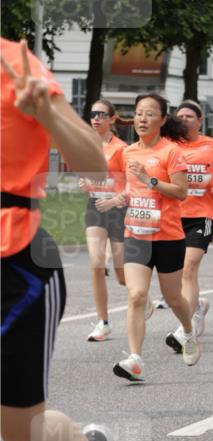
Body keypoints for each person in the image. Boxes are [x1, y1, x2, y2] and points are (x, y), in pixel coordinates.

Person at [1, 38, 110, 441]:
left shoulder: (16, 64)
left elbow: (95, 165)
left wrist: (45, 112)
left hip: (16, 270)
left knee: (22, 439)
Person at [101, 93, 202, 380]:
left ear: (162, 119)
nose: (142, 118)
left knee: (174, 298)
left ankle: (188, 330)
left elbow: (181, 192)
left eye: (149, 113)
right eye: (139, 113)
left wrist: (150, 180)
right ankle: (135, 359)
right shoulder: (128, 152)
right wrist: (117, 199)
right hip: (137, 234)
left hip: (168, 235)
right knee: (136, 296)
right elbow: (132, 189)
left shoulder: (172, 152)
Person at [161, 100, 213, 351]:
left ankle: (185, 331)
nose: (184, 119)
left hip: (201, 215)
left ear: (200, 120)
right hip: (172, 215)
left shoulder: (211, 145)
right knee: (177, 272)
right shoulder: (169, 146)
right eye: (180, 115)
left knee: (189, 267)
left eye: (189, 116)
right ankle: (198, 307)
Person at [79, 99, 130, 341]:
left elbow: (130, 184)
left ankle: (141, 296)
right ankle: (103, 322)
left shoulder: (122, 149)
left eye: (101, 114)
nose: (96, 118)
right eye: (93, 114)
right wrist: (86, 184)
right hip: (95, 208)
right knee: (96, 263)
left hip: (118, 210)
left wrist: (114, 199)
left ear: (112, 118)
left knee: (122, 276)